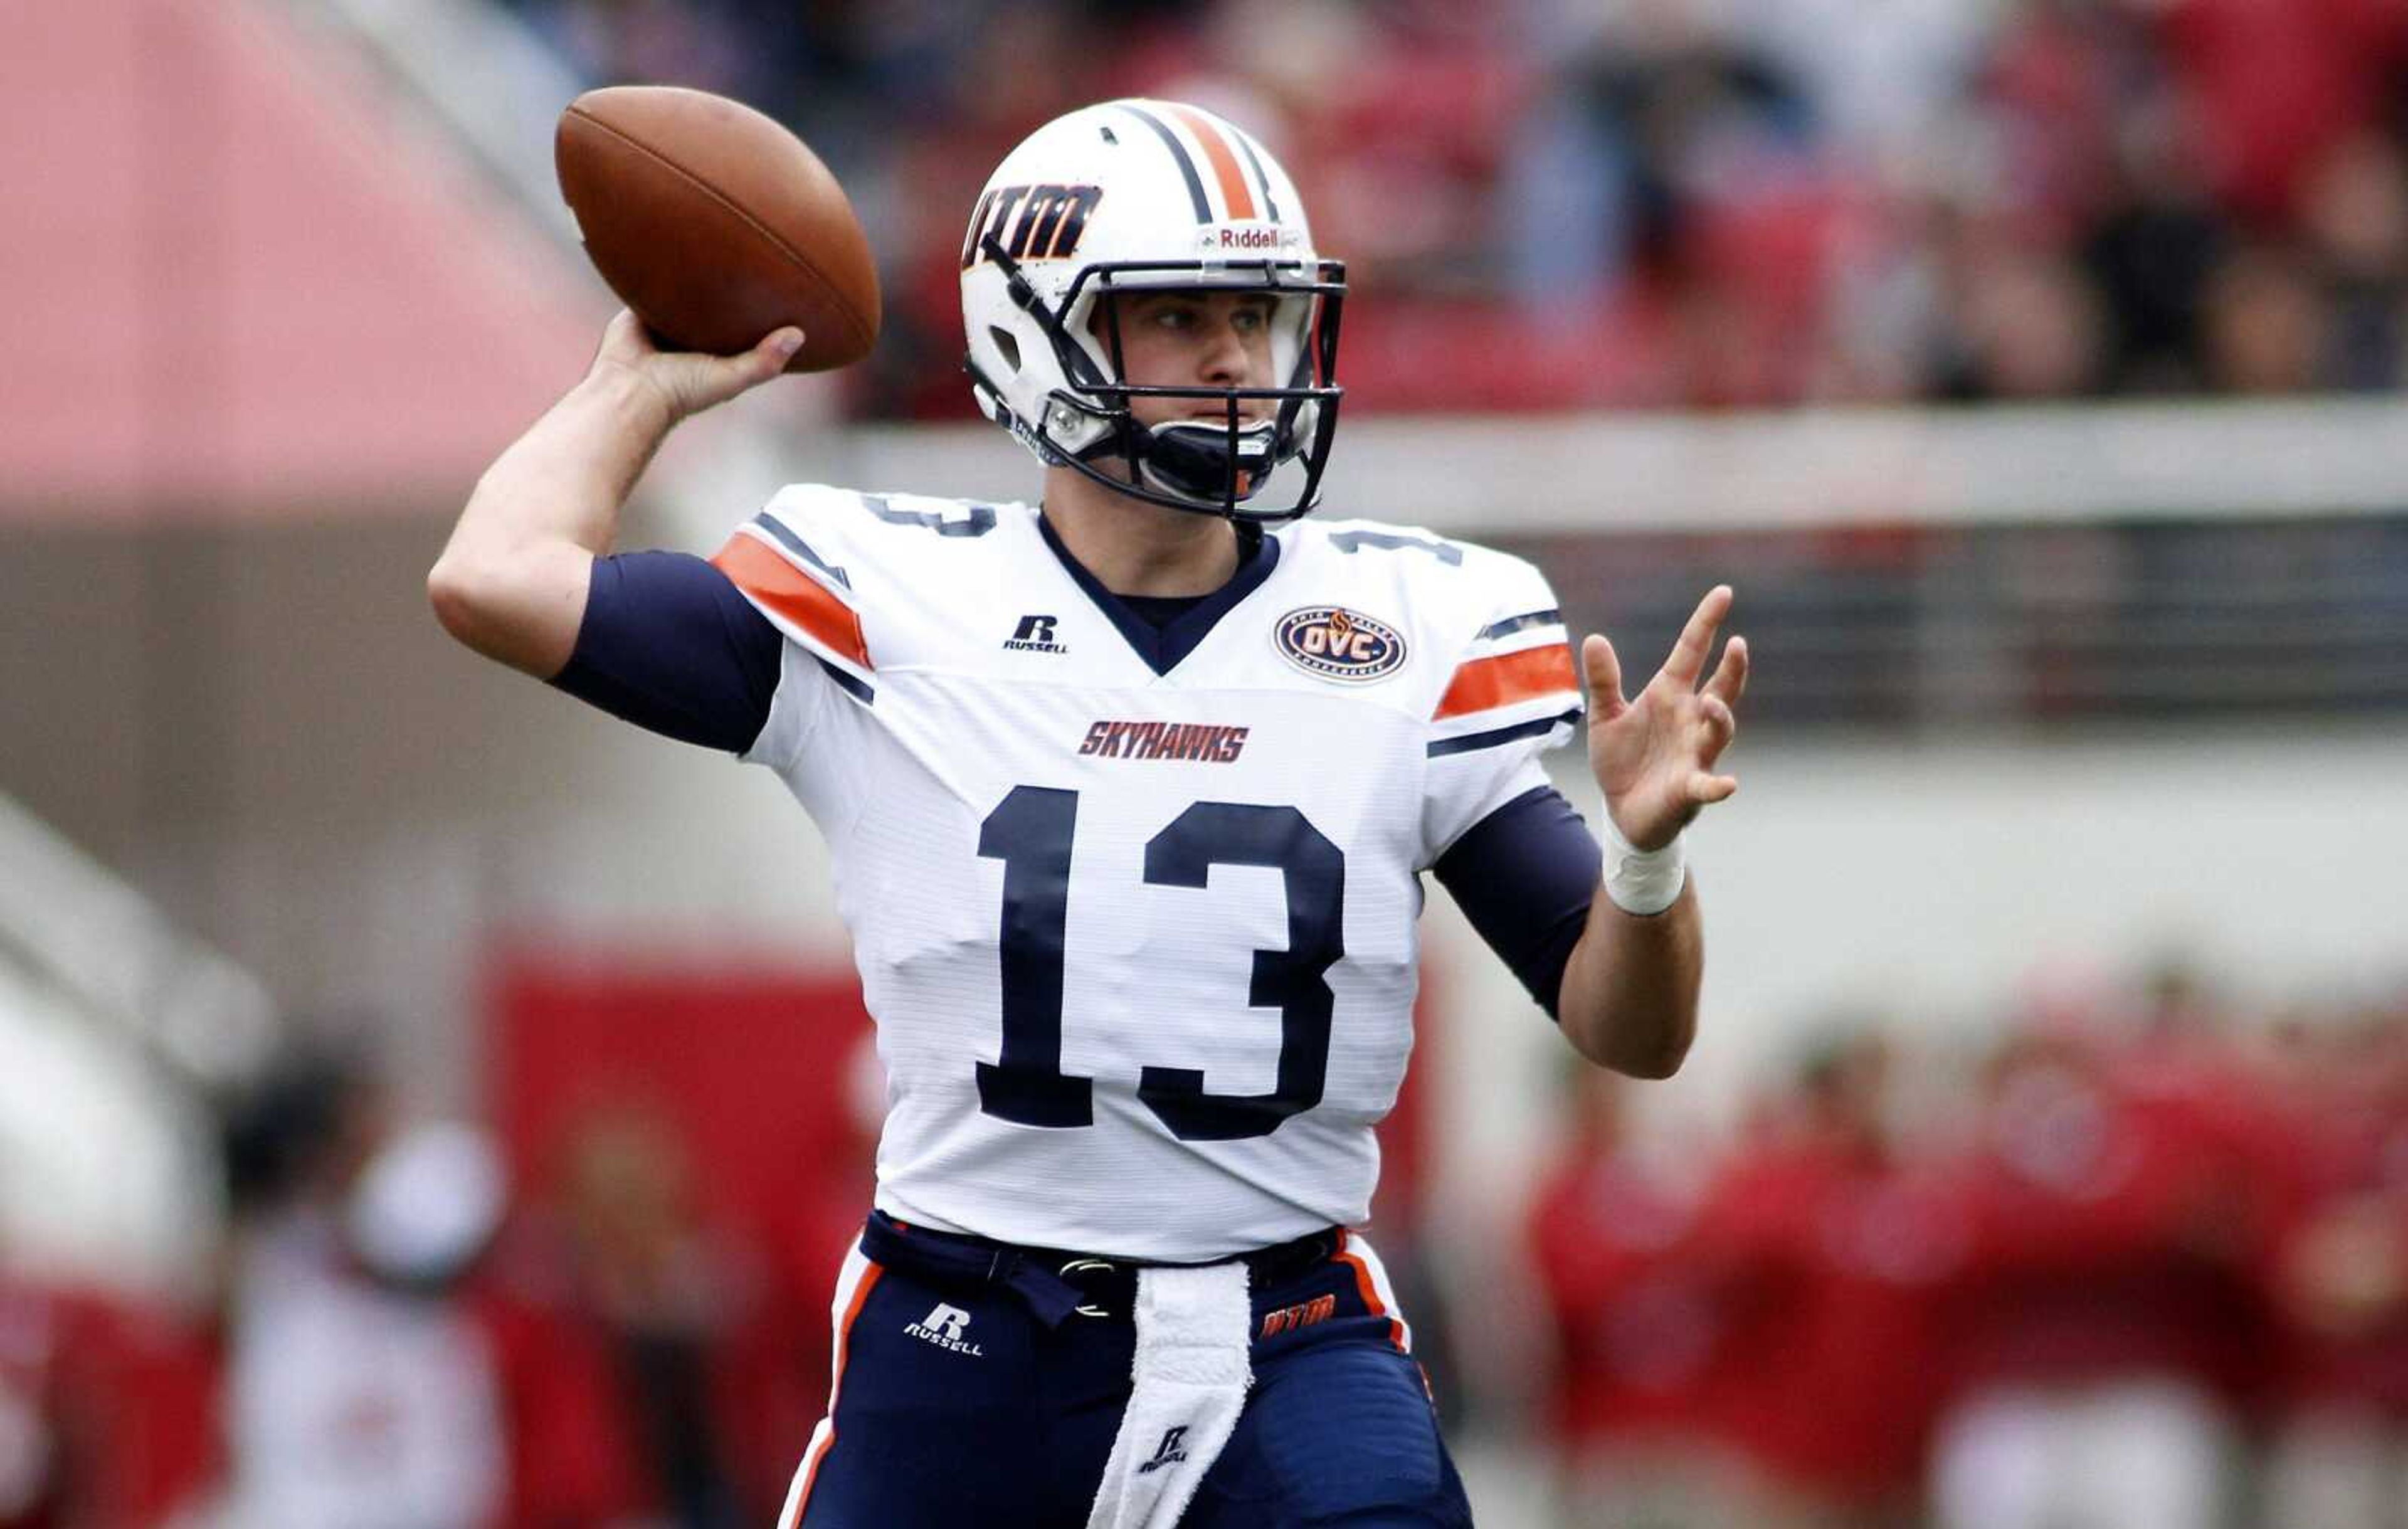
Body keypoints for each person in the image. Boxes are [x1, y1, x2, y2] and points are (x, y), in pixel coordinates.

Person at [430, 97, 1748, 1529]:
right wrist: (646, 386)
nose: (1237, 355)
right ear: (1029, 333)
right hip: (969, 1325)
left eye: (1254, 310)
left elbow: (1636, 1031)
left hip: (1290, 1330)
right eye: (1177, 314)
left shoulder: (1409, 626)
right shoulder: (890, 601)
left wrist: (1646, 859)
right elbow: (495, 577)